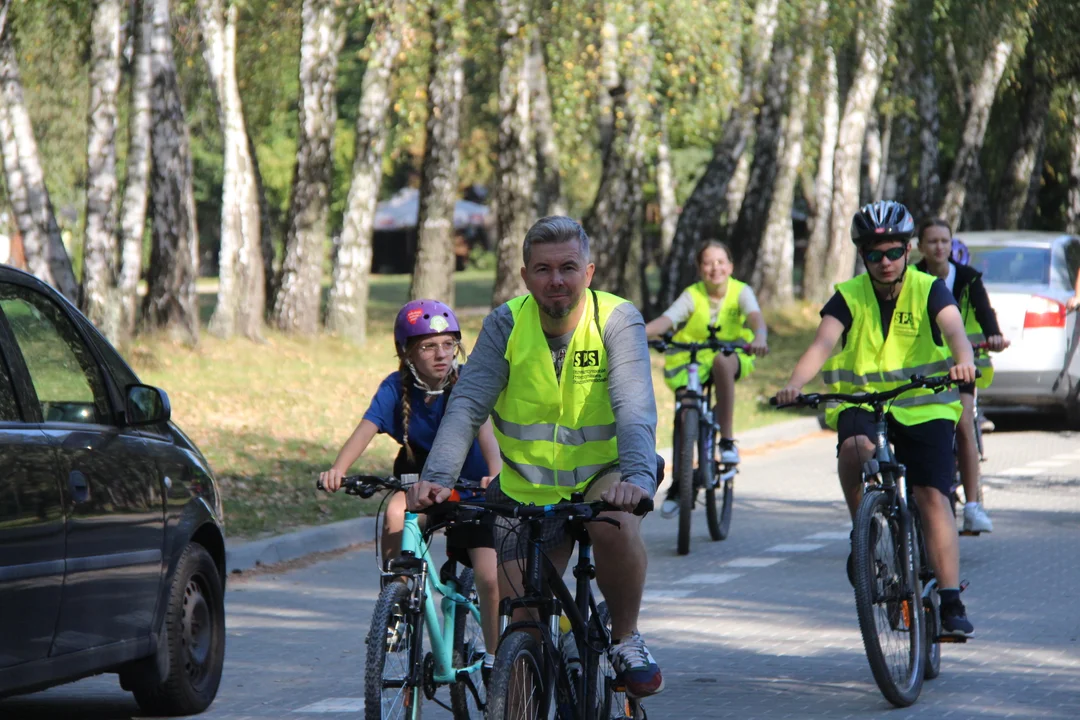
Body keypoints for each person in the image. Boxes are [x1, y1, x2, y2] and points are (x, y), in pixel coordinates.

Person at [406, 216, 665, 699]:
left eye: (568, 267)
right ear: (525, 276)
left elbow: (634, 407)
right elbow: (466, 405)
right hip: (525, 486)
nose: (556, 280)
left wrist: (637, 477)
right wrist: (437, 477)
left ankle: (627, 637)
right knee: (522, 622)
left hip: (605, 474)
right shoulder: (507, 323)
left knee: (616, 521)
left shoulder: (615, 318)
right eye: (543, 269)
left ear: (588, 272)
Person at [774, 200, 977, 638]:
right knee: (853, 449)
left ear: (908, 250)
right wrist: (794, 384)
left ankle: (949, 599)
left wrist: (963, 362)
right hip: (863, 404)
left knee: (931, 494)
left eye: (892, 252)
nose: (884, 262)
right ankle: (864, 532)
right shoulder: (849, 296)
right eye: (873, 254)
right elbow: (821, 343)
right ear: (862, 256)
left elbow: (956, 332)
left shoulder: (929, 288)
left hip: (924, 405)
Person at [318, 299, 502, 667]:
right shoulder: (395, 388)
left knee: (488, 575)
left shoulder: (465, 383)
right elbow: (365, 429)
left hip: (475, 491)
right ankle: (397, 602)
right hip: (423, 487)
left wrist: (495, 474)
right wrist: (337, 468)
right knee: (395, 512)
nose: (441, 354)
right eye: (429, 347)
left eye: (449, 344)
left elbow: (486, 434)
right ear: (407, 354)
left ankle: (496, 656)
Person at [644, 240, 769, 517]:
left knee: (721, 362)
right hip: (693, 357)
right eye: (708, 263)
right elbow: (667, 320)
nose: (715, 268)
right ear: (700, 269)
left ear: (730, 266)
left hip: (732, 353)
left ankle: (725, 441)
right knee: (683, 410)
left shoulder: (741, 291)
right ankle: (679, 484)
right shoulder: (693, 294)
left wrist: (760, 336)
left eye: (721, 262)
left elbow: (756, 318)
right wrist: (636, 333)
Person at [916, 221, 1010, 533]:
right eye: (932, 242)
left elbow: (985, 313)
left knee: (964, 424)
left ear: (951, 245)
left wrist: (993, 335)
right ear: (920, 247)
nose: (939, 247)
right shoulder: (911, 278)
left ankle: (972, 506)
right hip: (923, 369)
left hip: (961, 367)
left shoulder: (968, 279)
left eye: (944, 241)